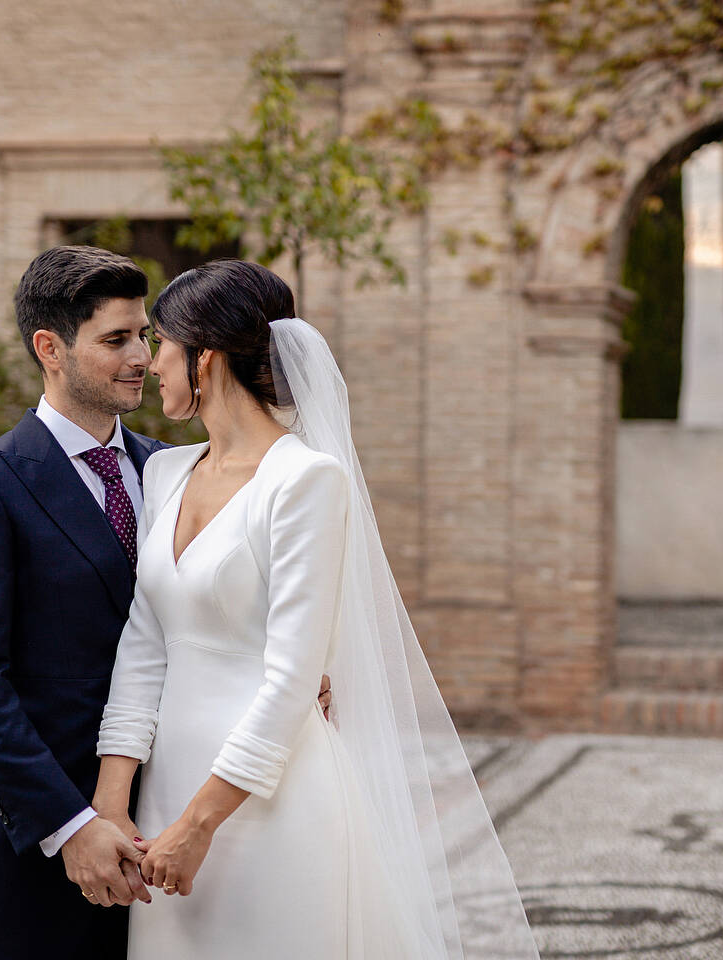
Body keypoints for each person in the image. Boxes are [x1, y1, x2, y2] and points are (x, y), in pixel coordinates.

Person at [93, 259, 539, 958]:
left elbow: (295, 675)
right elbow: (144, 645)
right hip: (163, 790)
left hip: (265, 798)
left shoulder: (304, 481)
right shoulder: (164, 472)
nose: (151, 365)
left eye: (162, 344)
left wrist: (199, 826)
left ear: (204, 358)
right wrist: (113, 801)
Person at [0, 246, 334, 958]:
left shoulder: (172, 468)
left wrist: (284, 673)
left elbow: (218, 614)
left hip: (195, 815)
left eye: (146, 335)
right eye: (116, 340)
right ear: (50, 349)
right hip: (56, 834)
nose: (143, 356)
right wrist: (74, 823)